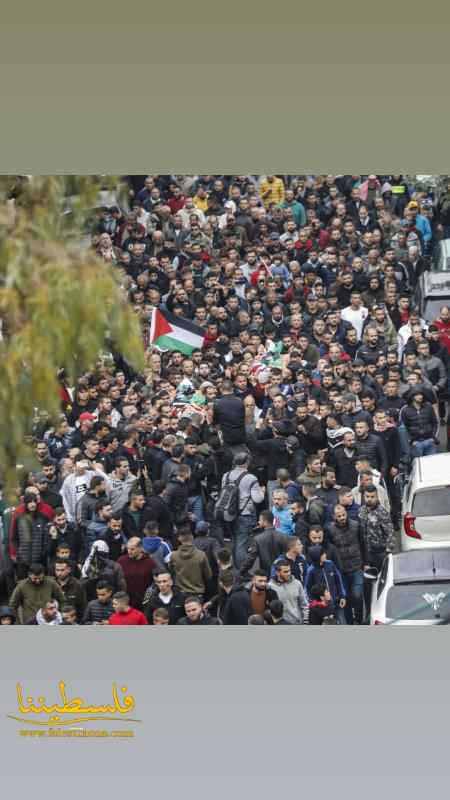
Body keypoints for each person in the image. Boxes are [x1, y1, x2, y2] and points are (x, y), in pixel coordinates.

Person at [220, 452, 265, 568]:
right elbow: (258, 499)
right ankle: (242, 571)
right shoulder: (251, 478)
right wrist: (262, 492)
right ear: (247, 463)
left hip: (228, 513)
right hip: (244, 514)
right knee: (242, 543)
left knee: (234, 541)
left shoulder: (226, 475)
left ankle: (236, 566)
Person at [328, 505, 365, 624]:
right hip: (341, 569)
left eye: (343, 515)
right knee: (345, 597)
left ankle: (359, 619)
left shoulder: (355, 526)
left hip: (356, 566)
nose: (342, 517)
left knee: (357, 595)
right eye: (339, 516)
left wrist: (366, 563)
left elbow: (363, 544)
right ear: (334, 517)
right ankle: (350, 622)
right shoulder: (330, 530)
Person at [239, 511, 290, 579]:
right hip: (282, 575)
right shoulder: (283, 537)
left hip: (266, 576)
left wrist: (242, 571)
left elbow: (251, 558)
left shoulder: (258, 539)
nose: (258, 522)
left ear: (265, 522)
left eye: (260, 520)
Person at [304, 545, 347, 624]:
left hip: (336, 602)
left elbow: (338, 580)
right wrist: (316, 603)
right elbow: (307, 589)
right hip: (323, 607)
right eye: (322, 554)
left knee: (342, 623)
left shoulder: (330, 564)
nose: (325, 555)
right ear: (317, 557)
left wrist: (342, 596)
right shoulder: (311, 571)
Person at [169, 527, 212, 599]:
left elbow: (170, 572)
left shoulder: (173, 556)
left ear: (179, 538)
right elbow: (209, 575)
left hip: (180, 594)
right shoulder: (201, 555)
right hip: (197, 594)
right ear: (192, 537)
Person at [117, 537, 156, 610]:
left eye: (132, 549)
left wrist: (148, 597)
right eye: (128, 548)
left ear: (140, 548)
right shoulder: (121, 561)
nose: (129, 551)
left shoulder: (150, 563)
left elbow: (154, 583)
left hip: (143, 603)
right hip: (126, 602)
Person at [268, 560, 309, 625]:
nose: (289, 573)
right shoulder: (270, 586)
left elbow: (304, 604)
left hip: (298, 623)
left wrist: (306, 621)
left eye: (289, 571)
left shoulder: (297, 584)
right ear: (277, 572)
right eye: (285, 572)